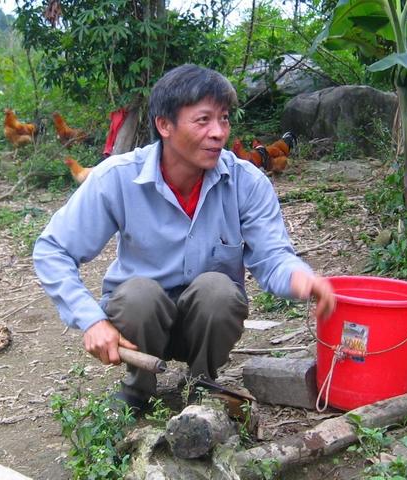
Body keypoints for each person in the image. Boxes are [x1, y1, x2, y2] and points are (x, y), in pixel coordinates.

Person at [33, 64, 335, 411]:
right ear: (164, 124)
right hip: (141, 326)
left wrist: (304, 279)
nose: (218, 132)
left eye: (223, 118)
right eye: (203, 120)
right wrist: (90, 320)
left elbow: (273, 257)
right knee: (137, 295)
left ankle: (203, 383)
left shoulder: (246, 182)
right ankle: (138, 389)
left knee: (218, 291)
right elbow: (52, 249)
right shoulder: (118, 178)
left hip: (205, 326)